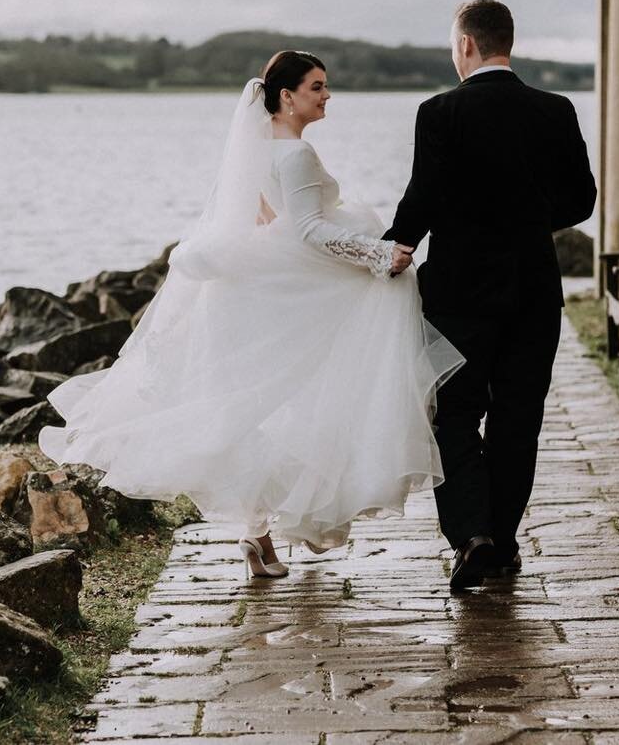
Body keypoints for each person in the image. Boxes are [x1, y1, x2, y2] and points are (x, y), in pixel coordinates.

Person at [38, 50, 462, 578]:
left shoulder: (257, 151)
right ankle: (296, 519)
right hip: (296, 296)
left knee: (259, 412)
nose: (327, 95)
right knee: (313, 400)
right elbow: (308, 231)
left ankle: (257, 534)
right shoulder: (296, 155)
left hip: (259, 290)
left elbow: (263, 219)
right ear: (287, 97)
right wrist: (379, 255)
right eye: (317, 87)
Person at [384, 0, 596, 590]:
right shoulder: (555, 110)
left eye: (455, 46)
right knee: (517, 418)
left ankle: (472, 536)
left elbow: (419, 201)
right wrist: (525, 219)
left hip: (459, 293)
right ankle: (501, 539)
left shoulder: (439, 112)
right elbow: (581, 200)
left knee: (451, 414)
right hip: (533, 291)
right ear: (509, 41)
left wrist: (387, 252)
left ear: (468, 45)